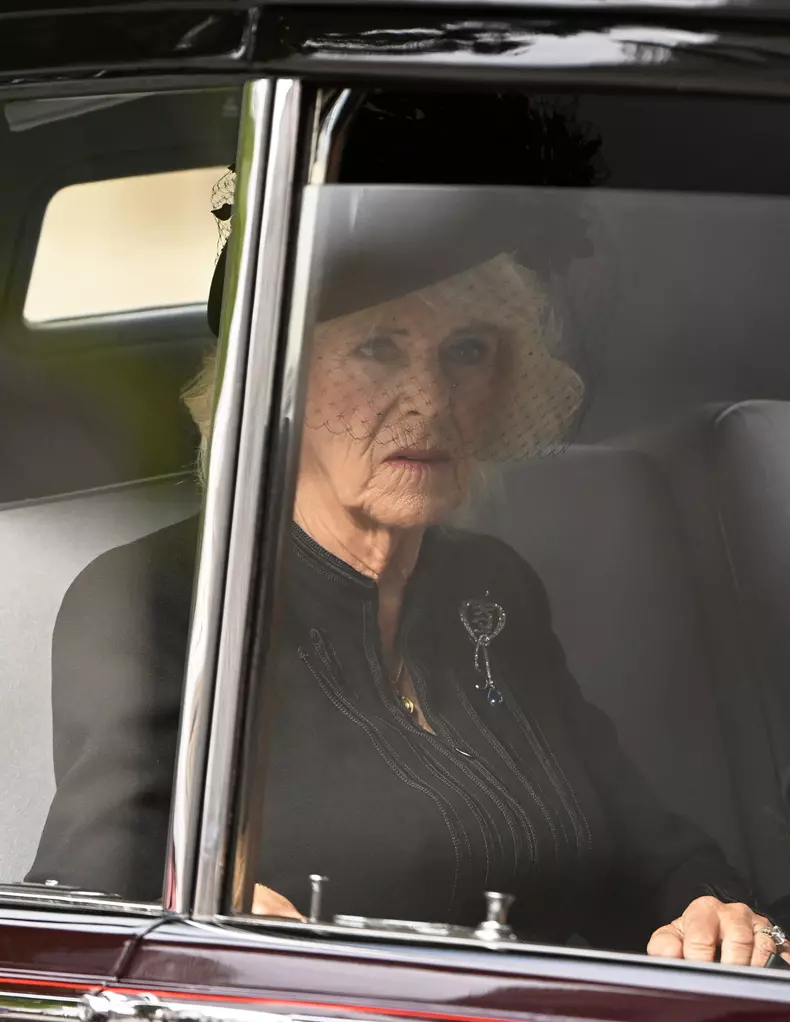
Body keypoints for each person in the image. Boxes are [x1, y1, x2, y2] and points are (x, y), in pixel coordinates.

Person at [27, 186, 789, 968]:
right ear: (278, 387)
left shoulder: (491, 588)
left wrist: (706, 906)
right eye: (377, 349)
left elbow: (636, 833)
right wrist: (197, 918)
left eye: (467, 352)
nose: (431, 401)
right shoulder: (160, 600)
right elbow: (92, 900)